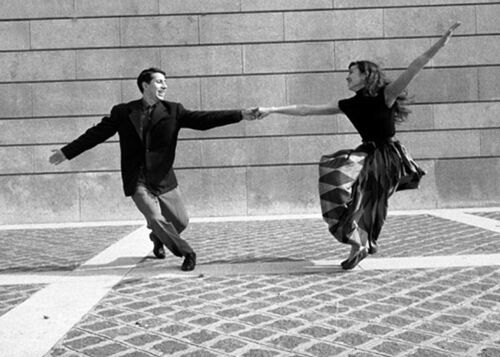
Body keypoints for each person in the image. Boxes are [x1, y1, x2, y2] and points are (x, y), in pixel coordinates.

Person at [257, 22, 461, 270]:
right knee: (337, 180)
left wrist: (440, 44)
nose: (347, 77)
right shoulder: (349, 104)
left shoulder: (385, 95)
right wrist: (272, 110)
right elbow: (306, 110)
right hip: (367, 153)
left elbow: (414, 67)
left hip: (388, 156)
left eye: (351, 73)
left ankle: (361, 244)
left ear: (365, 75)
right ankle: (360, 243)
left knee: (366, 200)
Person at [49, 67, 260, 271]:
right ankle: (187, 253)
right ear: (145, 85)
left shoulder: (174, 110)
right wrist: (67, 152)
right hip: (137, 179)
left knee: (181, 221)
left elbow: (204, 120)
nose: (164, 86)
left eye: (165, 82)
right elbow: (96, 134)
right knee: (155, 218)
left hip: (163, 177)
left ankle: (158, 238)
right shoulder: (123, 112)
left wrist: (240, 114)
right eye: (159, 81)